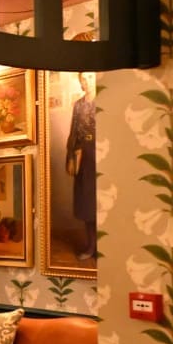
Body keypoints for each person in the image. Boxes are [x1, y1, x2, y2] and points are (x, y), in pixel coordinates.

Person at [66, 72, 98, 260]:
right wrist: (72, 155)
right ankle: (91, 246)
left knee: (102, 200)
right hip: (84, 155)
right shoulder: (78, 105)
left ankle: (104, 247)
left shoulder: (105, 99)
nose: (87, 82)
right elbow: (73, 133)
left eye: (91, 77)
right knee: (87, 203)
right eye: (83, 79)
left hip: (101, 152)